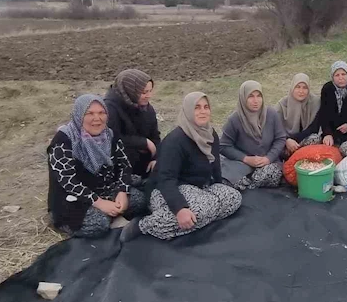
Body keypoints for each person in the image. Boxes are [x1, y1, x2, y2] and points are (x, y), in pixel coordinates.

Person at [125, 92, 242, 241]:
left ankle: (197, 219)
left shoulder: (210, 134)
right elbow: (166, 179)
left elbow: (215, 165)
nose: (203, 111)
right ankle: (144, 225)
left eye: (206, 107)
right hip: (166, 191)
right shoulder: (176, 140)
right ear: (188, 110)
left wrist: (219, 186)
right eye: (197, 107)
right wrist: (180, 209)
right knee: (204, 208)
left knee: (233, 198)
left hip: (199, 188)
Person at [47, 94, 147, 238]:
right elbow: (67, 181)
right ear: (79, 115)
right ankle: (63, 222)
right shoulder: (64, 141)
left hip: (105, 189)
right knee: (98, 224)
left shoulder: (110, 135)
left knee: (140, 201)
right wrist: (99, 203)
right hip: (75, 198)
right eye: (90, 113)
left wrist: (122, 192)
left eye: (101, 113)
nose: (97, 118)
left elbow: (124, 165)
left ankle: (111, 213)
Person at [220, 81, 287, 190]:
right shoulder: (235, 119)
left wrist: (268, 158)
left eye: (258, 96)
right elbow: (223, 146)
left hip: (267, 162)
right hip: (242, 164)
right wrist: (246, 159)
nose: (256, 101)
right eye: (250, 96)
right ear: (243, 98)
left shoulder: (271, 114)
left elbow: (280, 139)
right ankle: (246, 182)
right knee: (229, 179)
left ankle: (249, 184)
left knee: (272, 173)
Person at [104, 69, 160, 184]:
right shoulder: (109, 108)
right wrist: (143, 142)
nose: (149, 96)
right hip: (118, 168)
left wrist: (157, 158)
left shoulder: (147, 109)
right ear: (130, 91)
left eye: (150, 91)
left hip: (144, 165)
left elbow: (155, 136)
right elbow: (111, 139)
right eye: (144, 92)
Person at [276, 73, 322, 156]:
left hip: (304, 141)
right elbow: (275, 129)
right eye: (298, 87)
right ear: (292, 88)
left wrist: (294, 141)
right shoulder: (282, 105)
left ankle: (299, 156)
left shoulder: (315, 102)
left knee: (315, 138)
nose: (301, 91)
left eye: (305, 88)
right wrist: (287, 140)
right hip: (285, 142)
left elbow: (313, 128)